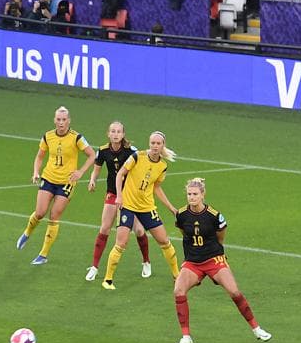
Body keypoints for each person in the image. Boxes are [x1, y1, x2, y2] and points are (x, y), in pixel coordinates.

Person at [171, 177, 272, 343]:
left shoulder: (214, 215)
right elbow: (183, 232)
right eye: (189, 194)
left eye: (195, 194)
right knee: (178, 292)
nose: (191, 197)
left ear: (203, 195)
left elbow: (220, 237)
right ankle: (186, 337)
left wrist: (215, 254)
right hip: (193, 262)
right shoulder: (181, 214)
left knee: (234, 291)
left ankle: (257, 329)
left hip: (214, 259)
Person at [100, 131, 181, 289]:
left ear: (163, 145)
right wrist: (119, 196)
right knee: (121, 243)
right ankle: (108, 280)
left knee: (164, 241)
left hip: (147, 207)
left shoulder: (162, 166)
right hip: (128, 206)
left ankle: (177, 276)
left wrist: (171, 208)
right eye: (152, 143)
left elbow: (156, 188)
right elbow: (120, 174)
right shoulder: (137, 156)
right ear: (149, 143)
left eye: (158, 143)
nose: (155, 146)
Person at [16, 106, 96, 265]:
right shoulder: (47, 136)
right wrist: (36, 172)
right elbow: (39, 157)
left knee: (54, 216)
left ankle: (43, 254)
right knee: (39, 213)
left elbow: (92, 155)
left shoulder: (76, 138)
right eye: (58, 119)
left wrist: (81, 172)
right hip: (48, 178)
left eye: (64, 120)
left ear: (69, 121)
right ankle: (27, 233)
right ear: (54, 120)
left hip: (66, 183)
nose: (61, 123)